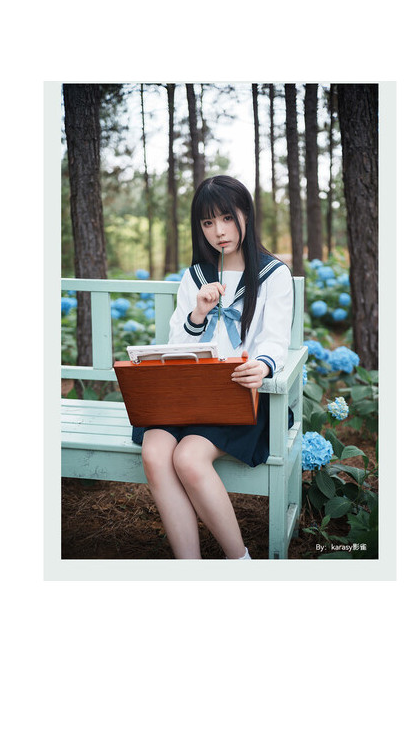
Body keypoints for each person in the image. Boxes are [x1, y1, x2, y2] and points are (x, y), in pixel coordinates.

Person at [131, 175, 294, 560]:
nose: (218, 231)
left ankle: (241, 563)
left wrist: (263, 366)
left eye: (226, 217)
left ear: (246, 214)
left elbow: (274, 341)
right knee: (155, 452)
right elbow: (177, 348)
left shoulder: (273, 274)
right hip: (189, 395)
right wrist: (198, 313)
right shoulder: (195, 276)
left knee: (188, 457)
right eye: (207, 222)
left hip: (240, 397)